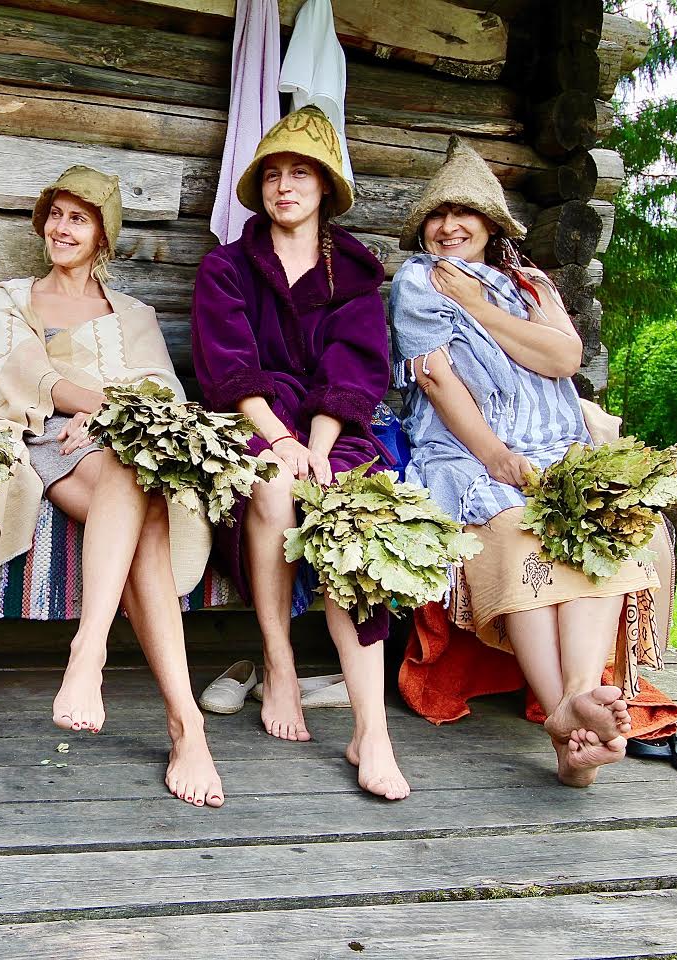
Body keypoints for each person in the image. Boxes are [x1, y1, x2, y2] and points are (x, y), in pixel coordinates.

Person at [389, 136, 665, 787]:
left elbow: (561, 359)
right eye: (437, 215)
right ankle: (569, 720)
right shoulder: (418, 278)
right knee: (519, 538)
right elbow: (435, 379)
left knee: (598, 536)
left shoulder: (527, 281)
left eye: (465, 214)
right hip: (465, 452)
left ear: (490, 224)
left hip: (556, 450)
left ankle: (573, 703)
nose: (449, 226)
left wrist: (479, 308)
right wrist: (493, 454)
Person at [0, 165, 223, 807]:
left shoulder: (134, 314)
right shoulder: (15, 298)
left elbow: (160, 396)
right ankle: (173, 715)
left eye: (78, 219)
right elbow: (22, 371)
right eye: (56, 215)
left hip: (119, 446)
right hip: (49, 437)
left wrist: (111, 421)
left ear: (102, 237)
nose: (62, 228)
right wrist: (98, 410)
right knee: (131, 477)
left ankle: (132, 685)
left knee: (142, 507)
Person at [190, 107, 408, 800]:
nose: (286, 186)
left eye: (302, 173)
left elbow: (355, 373)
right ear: (260, 188)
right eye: (275, 174)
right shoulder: (226, 267)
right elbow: (228, 368)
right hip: (249, 420)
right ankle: (279, 667)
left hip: (336, 430)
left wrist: (315, 444)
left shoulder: (355, 276)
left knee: (349, 516)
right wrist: (282, 441)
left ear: (325, 187)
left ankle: (370, 730)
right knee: (274, 486)